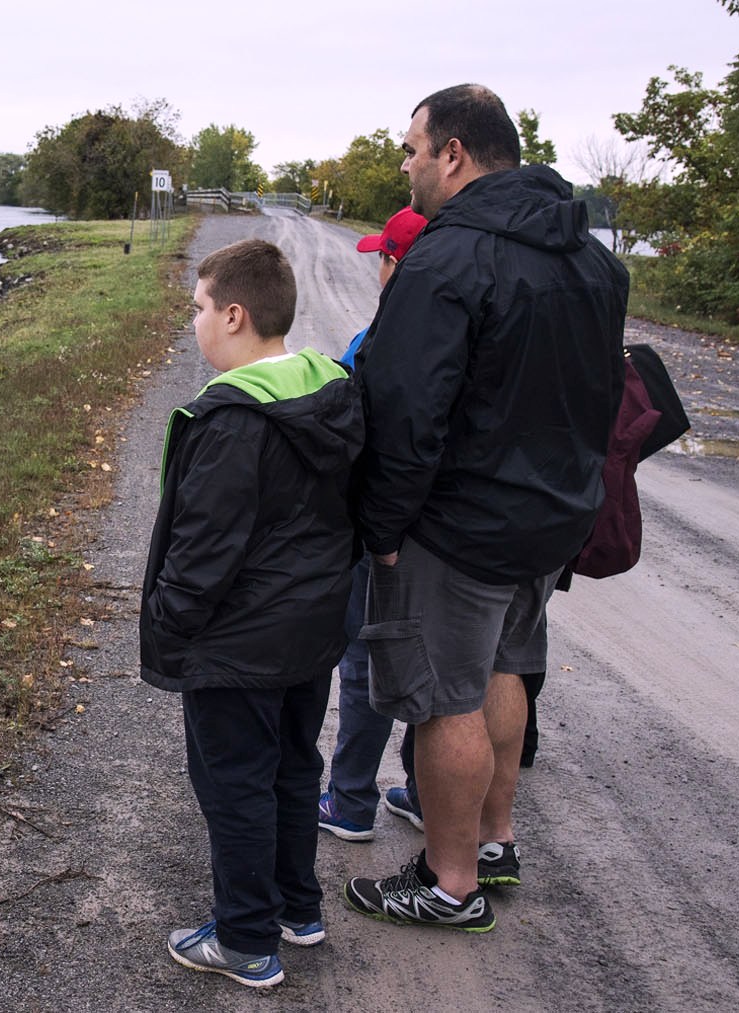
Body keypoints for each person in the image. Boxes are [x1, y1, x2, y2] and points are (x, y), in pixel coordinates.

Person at [343, 84, 625, 932]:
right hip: (549, 519)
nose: (406, 165)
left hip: (459, 528)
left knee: (444, 700)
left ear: (453, 153)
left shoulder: (446, 260)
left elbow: (403, 414)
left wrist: (381, 529)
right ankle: (494, 841)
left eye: (412, 148)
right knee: (506, 671)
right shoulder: (591, 259)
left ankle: (449, 881)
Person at [141, 239, 363, 987]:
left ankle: (244, 937)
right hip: (309, 630)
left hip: (237, 641)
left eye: (200, 307)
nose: (194, 320)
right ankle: (297, 907)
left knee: (235, 780)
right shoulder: (326, 389)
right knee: (294, 767)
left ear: (234, 314)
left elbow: (204, 549)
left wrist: (169, 620)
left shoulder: (232, 420)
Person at [316, 206, 426, 843]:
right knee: (437, 661)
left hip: (381, 525)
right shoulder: (467, 326)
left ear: (394, 263)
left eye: (381, 257)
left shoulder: (379, 338)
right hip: (446, 530)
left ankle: (350, 800)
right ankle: (420, 788)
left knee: (363, 658)